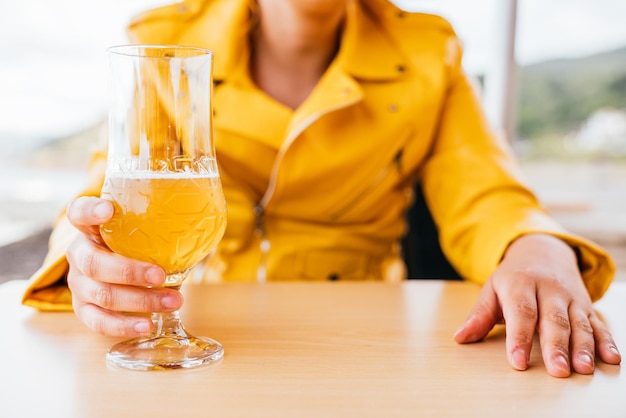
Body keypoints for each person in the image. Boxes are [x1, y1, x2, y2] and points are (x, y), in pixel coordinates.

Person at [22, 0, 621, 378]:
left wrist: (536, 247)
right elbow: (103, 193)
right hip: (195, 336)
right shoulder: (163, 35)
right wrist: (84, 264)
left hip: (365, 348)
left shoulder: (428, 52)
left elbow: (486, 189)